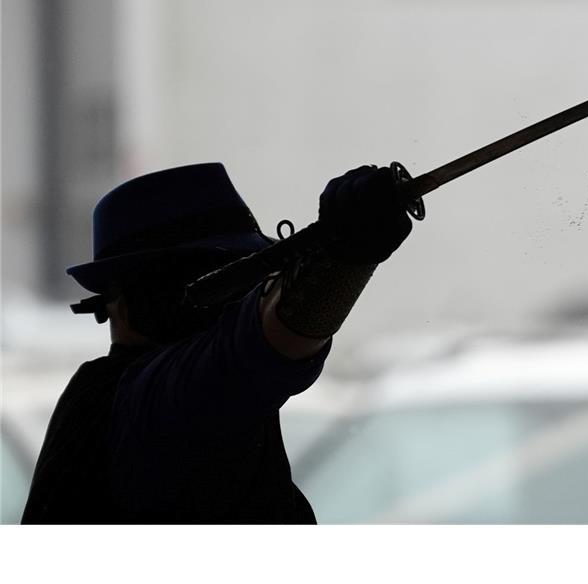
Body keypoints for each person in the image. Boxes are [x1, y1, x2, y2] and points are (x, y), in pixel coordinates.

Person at [21, 162, 413, 523]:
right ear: (143, 296)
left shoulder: (105, 403)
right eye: (226, 280)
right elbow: (260, 346)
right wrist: (347, 255)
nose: (248, 296)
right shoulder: (153, 401)